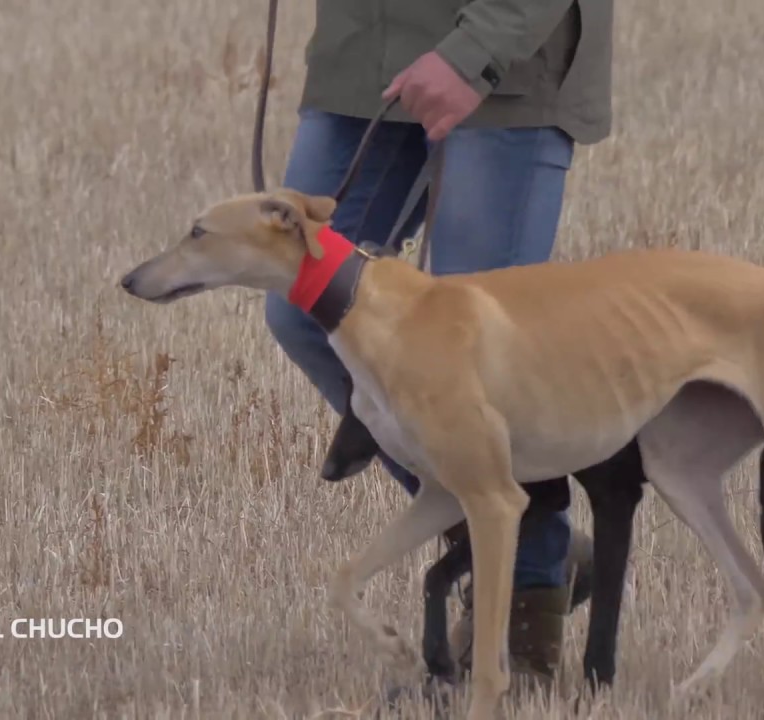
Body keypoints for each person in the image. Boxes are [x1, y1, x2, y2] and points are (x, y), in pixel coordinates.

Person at [263, 0, 614, 686]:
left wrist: (472, 53)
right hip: (362, 54)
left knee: (480, 357)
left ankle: (525, 601)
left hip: (502, 68)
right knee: (303, 309)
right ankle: (525, 539)